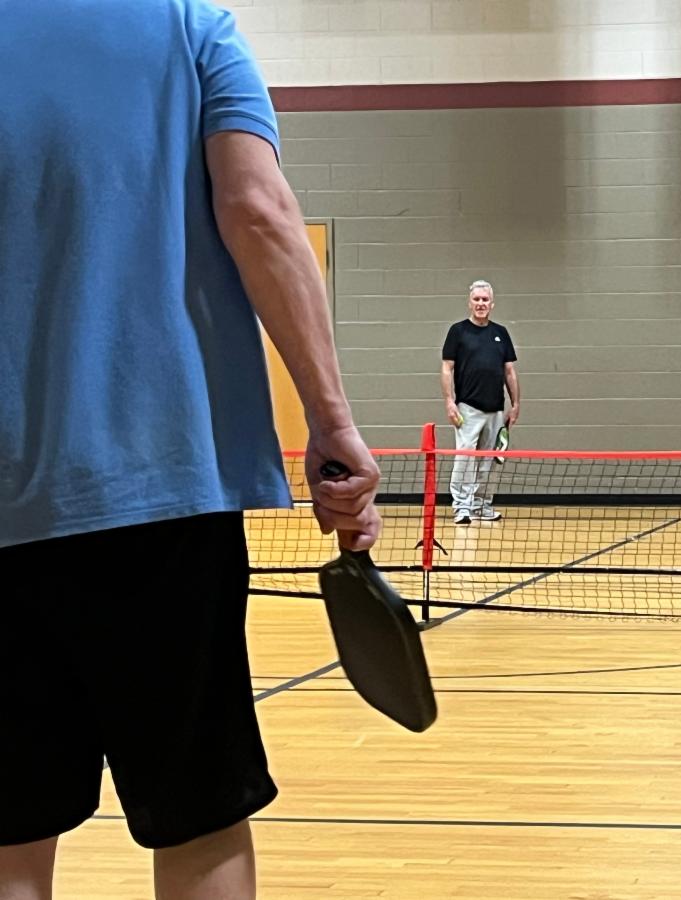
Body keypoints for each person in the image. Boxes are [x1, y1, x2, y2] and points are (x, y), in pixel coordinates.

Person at [0, 3, 381, 898]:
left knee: (8, 837)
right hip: (160, 494)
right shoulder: (188, 29)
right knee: (200, 818)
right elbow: (257, 210)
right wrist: (330, 419)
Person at [441, 280, 521, 525]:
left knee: (490, 460)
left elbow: (509, 371)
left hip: (496, 410)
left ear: (492, 304)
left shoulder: (501, 333)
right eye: (477, 299)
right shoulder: (458, 331)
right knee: (465, 459)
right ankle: (462, 507)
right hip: (468, 408)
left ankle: (481, 505)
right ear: (470, 302)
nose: (481, 304)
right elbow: (447, 368)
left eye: (485, 300)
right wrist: (449, 401)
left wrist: (515, 403)